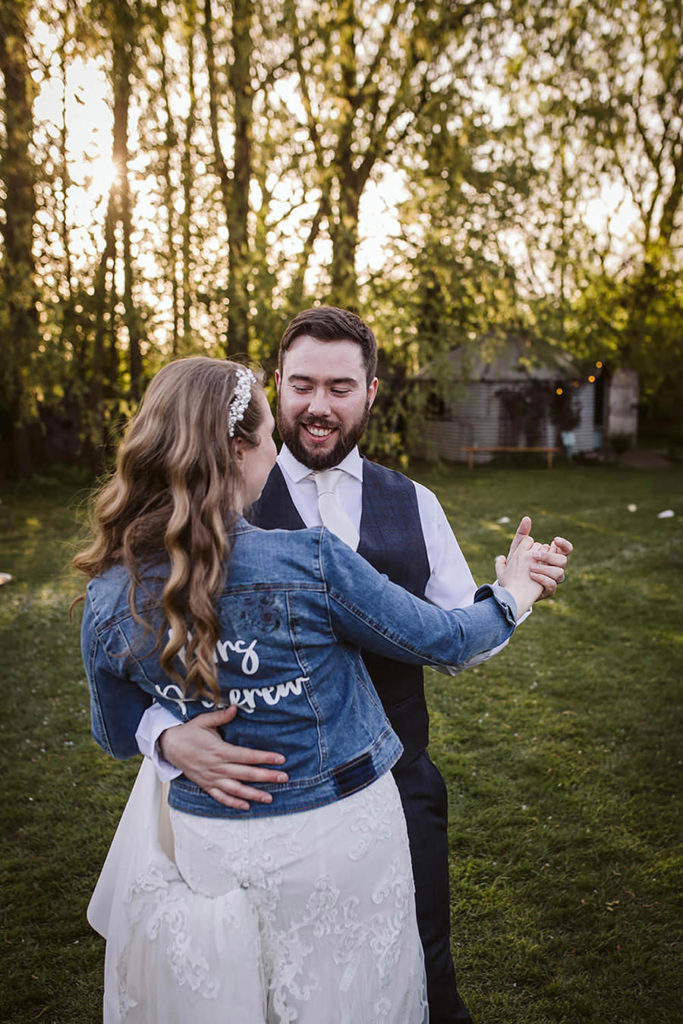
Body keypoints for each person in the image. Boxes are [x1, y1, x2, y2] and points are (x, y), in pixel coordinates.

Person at [76, 356, 549, 1024]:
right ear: (239, 450)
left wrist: (162, 731)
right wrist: (514, 594)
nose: (277, 445)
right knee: (350, 995)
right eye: (271, 429)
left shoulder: (106, 597)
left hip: (210, 837)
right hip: (338, 834)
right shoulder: (311, 560)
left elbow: (110, 728)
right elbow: (445, 638)